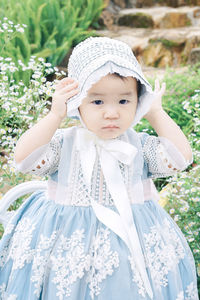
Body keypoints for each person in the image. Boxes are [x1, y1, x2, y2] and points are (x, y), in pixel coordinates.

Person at [0, 37, 198, 300]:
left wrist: (156, 113)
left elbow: (180, 158)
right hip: (67, 239)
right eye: (97, 102)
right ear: (77, 102)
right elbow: (24, 159)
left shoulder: (139, 145)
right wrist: (54, 116)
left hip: (131, 237)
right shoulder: (64, 143)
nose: (111, 113)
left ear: (138, 101)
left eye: (124, 102)